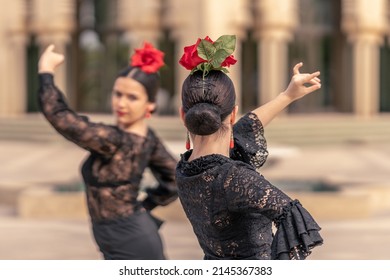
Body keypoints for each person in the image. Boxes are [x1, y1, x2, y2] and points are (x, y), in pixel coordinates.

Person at [176, 35, 323, 260]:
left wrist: (287, 96)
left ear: (183, 116)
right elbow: (293, 215)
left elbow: (246, 126)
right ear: (233, 113)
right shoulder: (233, 178)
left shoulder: (187, 168)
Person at [37, 42, 178, 260]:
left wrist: (46, 71)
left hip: (131, 242)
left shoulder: (114, 140)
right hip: (127, 236)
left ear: (150, 105)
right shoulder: (148, 139)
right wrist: (145, 206)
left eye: (132, 97)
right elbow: (176, 178)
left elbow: (61, 118)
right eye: (117, 94)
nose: (121, 103)